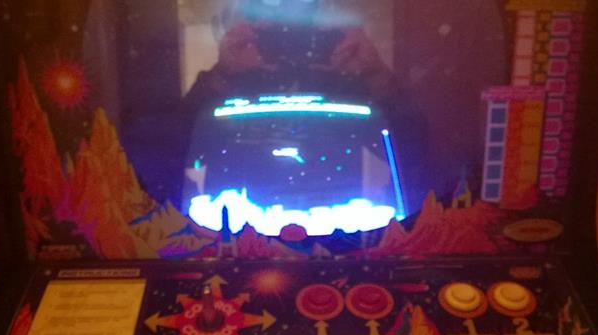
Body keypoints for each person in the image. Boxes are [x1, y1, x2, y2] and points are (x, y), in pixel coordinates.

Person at [178, 0, 429, 214]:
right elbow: (176, 152)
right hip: (238, 222)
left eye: (302, 31)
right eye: (270, 32)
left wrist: (374, 74)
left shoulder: (347, 79)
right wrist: (222, 75)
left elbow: (414, 151)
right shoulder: (229, 81)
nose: (287, 42)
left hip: (339, 221)